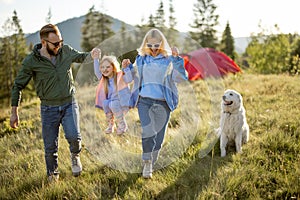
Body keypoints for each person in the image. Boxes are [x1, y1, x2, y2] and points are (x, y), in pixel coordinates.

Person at [10, 24, 99, 182]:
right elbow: (18, 86)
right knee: (50, 146)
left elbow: (81, 56)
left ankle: (75, 155)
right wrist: (14, 112)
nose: (60, 46)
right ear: (44, 43)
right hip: (48, 108)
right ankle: (52, 174)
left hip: (69, 103)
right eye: (55, 43)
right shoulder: (32, 61)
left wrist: (92, 54)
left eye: (61, 41)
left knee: (74, 137)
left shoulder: (65, 51)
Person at [122, 28, 187, 178]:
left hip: (163, 103)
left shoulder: (169, 60)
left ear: (162, 44)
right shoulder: (142, 58)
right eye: (150, 45)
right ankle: (147, 162)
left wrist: (177, 60)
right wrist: (127, 68)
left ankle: (153, 158)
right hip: (144, 101)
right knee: (148, 131)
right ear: (146, 45)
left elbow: (180, 78)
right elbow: (130, 78)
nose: (153, 49)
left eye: (156, 45)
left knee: (159, 137)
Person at [91, 50, 133, 135]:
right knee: (105, 103)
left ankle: (122, 124)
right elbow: (97, 72)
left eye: (107, 67)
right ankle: (111, 124)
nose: (104, 69)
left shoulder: (120, 76)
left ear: (113, 67)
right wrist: (96, 59)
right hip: (113, 104)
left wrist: (126, 68)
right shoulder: (104, 79)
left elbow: (129, 79)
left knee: (113, 104)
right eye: (102, 67)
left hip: (123, 103)